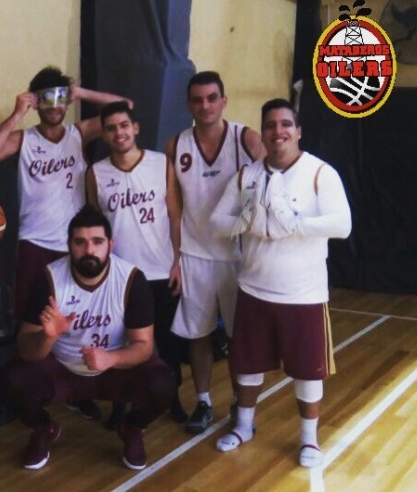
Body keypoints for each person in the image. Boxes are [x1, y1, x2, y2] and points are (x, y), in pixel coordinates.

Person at [0, 66, 131, 420]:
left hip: (75, 246)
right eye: (47, 98)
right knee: (35, 321)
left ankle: (79, 389)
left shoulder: (79, 132)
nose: (55, 105)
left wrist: (83, 93)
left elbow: (125, 106)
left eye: (61, 98)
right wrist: (17, 112)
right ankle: (33, 394)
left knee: (79, 319)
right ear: (37, 102)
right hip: (34, 243)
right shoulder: (25, 138)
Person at [208, 98, 352, 467]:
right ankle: (244, 426)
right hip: (254, 289)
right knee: (247, 366)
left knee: (307, 371)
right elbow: (216, 222)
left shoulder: (320, 173)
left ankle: (309, 441)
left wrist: (297, 224)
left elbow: (342, 224)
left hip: (303, 294)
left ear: (298, 131)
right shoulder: (249, 177)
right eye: (270, 125)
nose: (278, 131)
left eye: (285, 124)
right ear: (263, 132)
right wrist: (243, 221)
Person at [0, 205, 175, 471]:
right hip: (62, 369)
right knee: (11, 378)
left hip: (112, 369)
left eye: (97, 242)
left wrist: (110, 358)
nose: (89, 250)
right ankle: (43, 428)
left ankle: (132, 428)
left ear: (110, 245)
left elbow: (144, 346)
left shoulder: (131, 279)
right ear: (69, 245)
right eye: (80, 242)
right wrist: (48, 337)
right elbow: (25, 348)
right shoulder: (49, 278)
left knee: (162, 383)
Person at [165, 71, 265, 434]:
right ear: (188, 105)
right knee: (198, 334)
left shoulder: (245, 138)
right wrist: (175, 257)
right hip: (195, 254)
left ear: (224, 101)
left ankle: (241, 402)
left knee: (241, 338)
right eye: (197, 99)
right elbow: (173, 206)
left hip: (238, 258)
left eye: (211, 98)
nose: (205, 105)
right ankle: (204, 401)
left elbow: (268, 186)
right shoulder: (176, 145)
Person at [86, 101, 187, 424]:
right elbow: (97, 227)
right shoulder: (96, 173)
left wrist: (178, 261)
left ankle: (172, 399)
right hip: (120, 275)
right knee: (120, 343)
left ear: (136, 128)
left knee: (167, 343)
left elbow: (175, 216)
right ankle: (119, 403)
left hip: (160, 269)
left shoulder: (160, 163)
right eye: (111, 128)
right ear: (104, 134)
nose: (119, 133)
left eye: (124, 125)